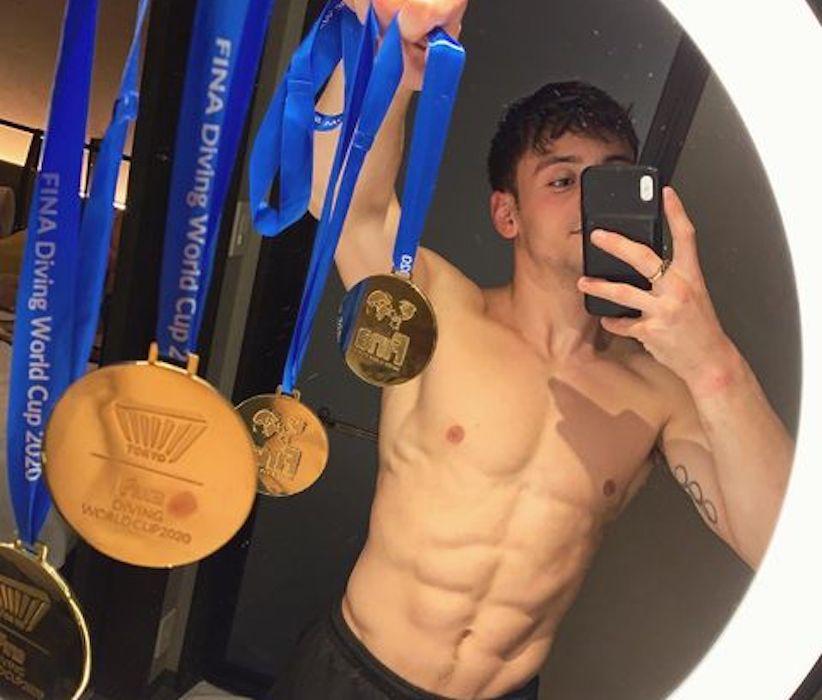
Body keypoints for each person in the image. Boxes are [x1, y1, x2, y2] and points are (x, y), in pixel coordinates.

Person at [266, 1, 794, 698]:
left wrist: (713, 362)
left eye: (611, 177)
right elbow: (343, 203)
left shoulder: (662, 392)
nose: (588, 200)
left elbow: (785, 553)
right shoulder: (438, 309)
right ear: (507, 213)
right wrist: (395, 57)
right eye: (562, 179)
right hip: (352, 673)